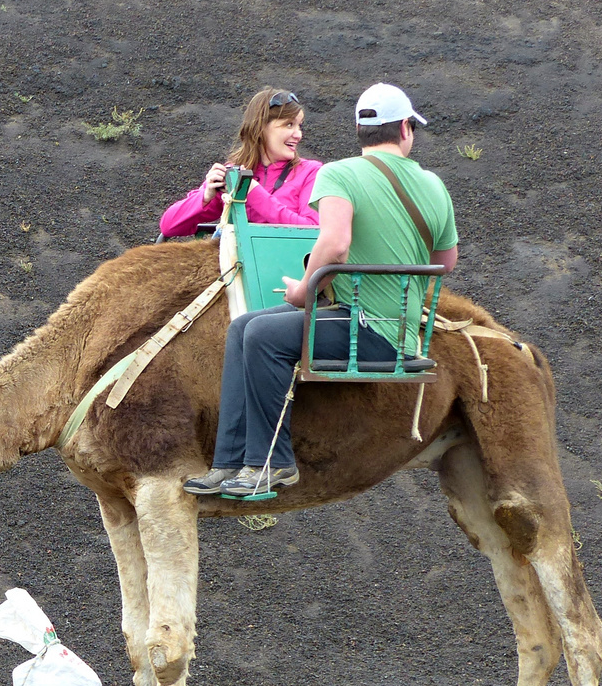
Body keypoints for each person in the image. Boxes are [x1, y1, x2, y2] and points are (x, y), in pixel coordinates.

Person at [184, 83, 459, 496]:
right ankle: (228, 462)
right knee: (243, 327)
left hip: (363, 328)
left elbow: (334, 244)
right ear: (405, 129)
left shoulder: (339, 174)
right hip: (395, 329)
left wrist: (303, 292)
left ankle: (270, 465)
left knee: (260, 335)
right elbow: (445, 262)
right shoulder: (434, 185)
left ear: (361, 131)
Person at [159, 88, 321, 238]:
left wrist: (253, 192)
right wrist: (205, 196)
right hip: (236, 267)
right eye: (289, 124)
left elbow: (312, 231)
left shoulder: (311, 172)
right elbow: (168, 227)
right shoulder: (233, 174)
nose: (298, 134)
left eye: (299, 126)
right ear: (261, 127)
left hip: (289, 267)